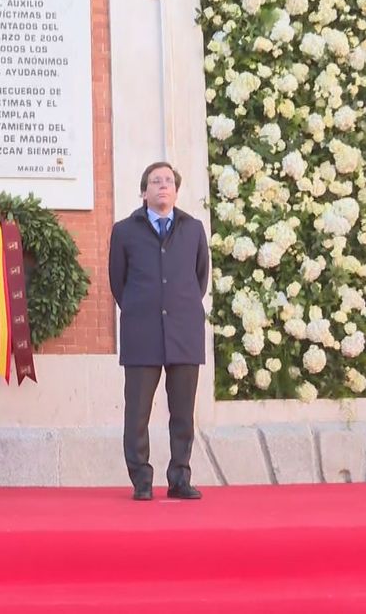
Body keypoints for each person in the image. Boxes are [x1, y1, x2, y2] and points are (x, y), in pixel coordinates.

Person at [108, 161, 209, 501]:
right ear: (144, 191)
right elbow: (117, 282)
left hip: (183, 331)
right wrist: (142, 307)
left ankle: (179, 477)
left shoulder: (193, 229)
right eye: (155, 181)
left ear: (176, 191)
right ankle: (141, 479)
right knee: (137, 411)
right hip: (142, 332)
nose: (162, 186)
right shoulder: (124, 231)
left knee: (182, 412)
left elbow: (200, 278)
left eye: (168, 181)